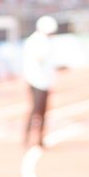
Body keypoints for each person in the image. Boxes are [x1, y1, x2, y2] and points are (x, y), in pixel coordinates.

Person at [21, 14, 59, 148]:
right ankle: (26, 138)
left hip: (45, 80)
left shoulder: (46, 40)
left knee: (43, 111)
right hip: (36, 80)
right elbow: (39, 57)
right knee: (35, 110)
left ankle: (40, 138)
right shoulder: (36, 40)